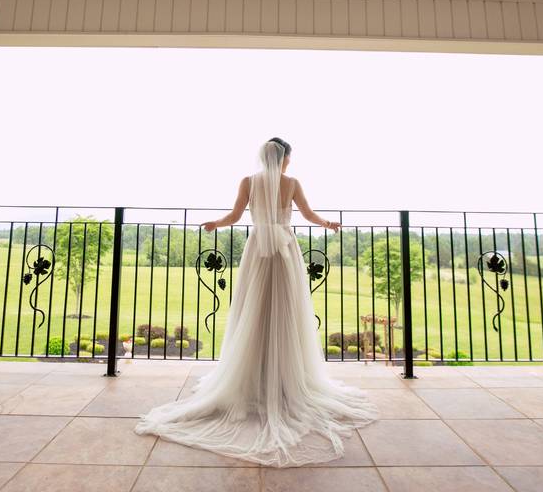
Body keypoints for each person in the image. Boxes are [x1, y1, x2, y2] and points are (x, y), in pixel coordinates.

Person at [133, 138, 380, 467]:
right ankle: (282, 381)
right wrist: (327, 224)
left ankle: (254, 376)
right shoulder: (291, 183)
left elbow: (235, 216)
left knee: (254, 311)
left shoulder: (248, 182)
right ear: (285, 158)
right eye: (289, 157)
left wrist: (214, 224)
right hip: (284, 251)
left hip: (258, 251)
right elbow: (307, 214)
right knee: (286, 313)